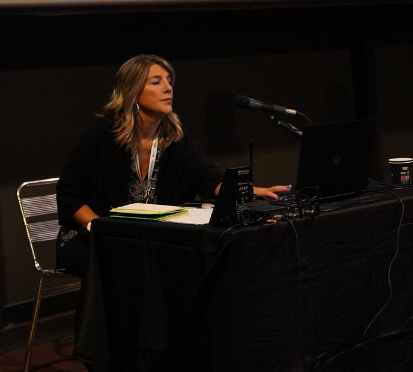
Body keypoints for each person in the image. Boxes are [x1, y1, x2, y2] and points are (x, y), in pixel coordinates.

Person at [56, 54, 289, 276]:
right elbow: (69, 193)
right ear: (133, 92)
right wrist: (103, 229)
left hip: (149, 241)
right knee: (132, 261)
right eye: (156, 82)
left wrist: (246, 191)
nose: (168, 88)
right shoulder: (102, 135)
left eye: (169, 81)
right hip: (91, 237)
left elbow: (209, 178)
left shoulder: (175, 138)